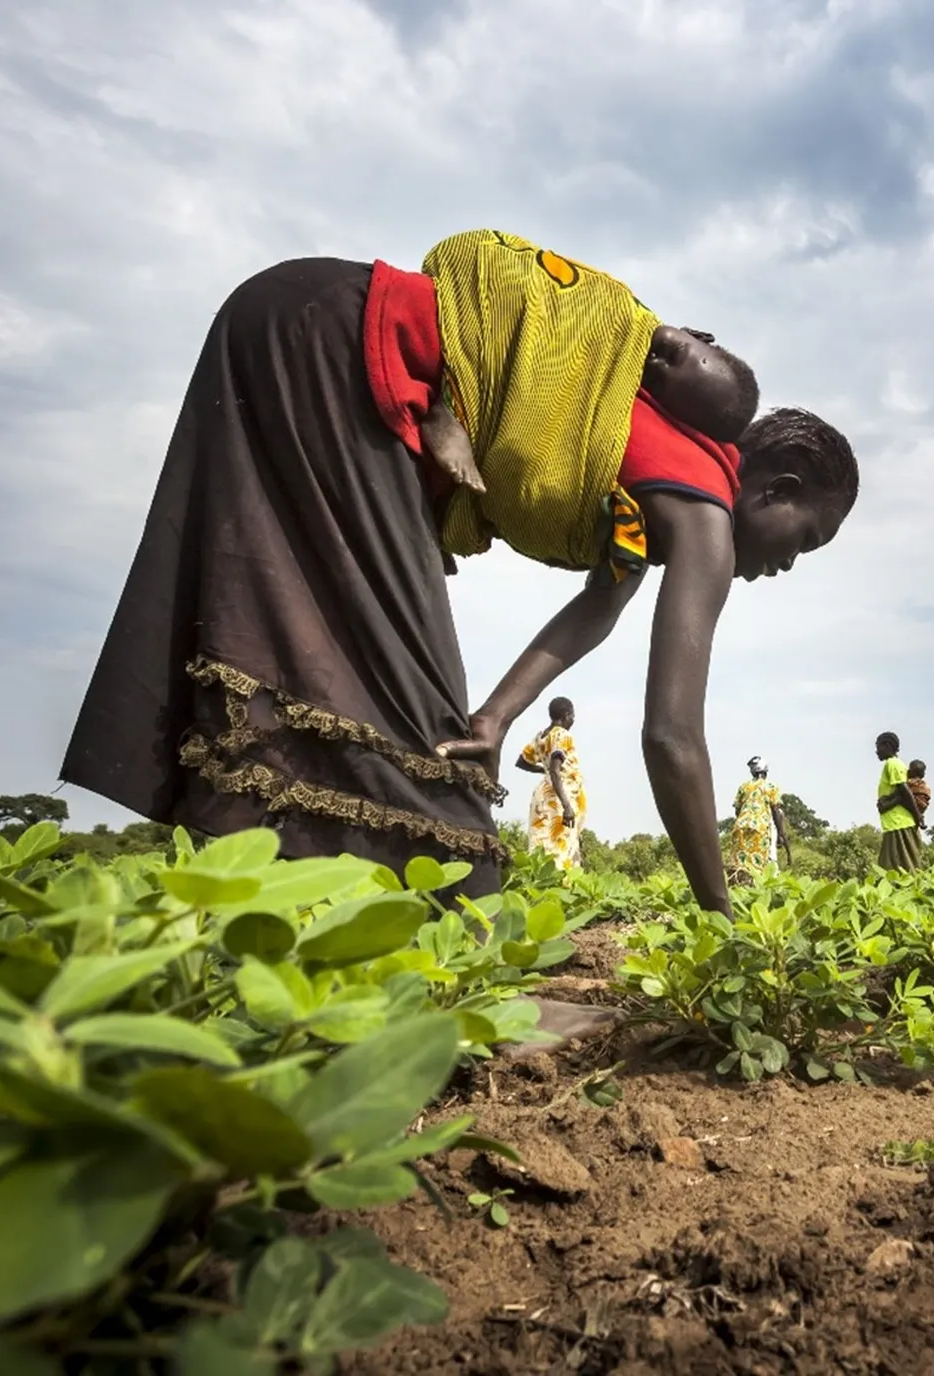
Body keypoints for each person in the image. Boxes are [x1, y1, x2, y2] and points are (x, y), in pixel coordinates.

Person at [61, 228, 858, 910]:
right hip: (343, 355)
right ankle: (450, 947)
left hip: (294, 319)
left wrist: (499, 718)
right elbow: (673, 736)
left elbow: (597, 610)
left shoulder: (663, 481)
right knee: (417, 734)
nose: (788, 563)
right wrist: (720, 911)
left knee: (296, 648)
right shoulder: (706, 519)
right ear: (776, 488)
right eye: (805, 538)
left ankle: (266, 910)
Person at [515, 697, 586, 869]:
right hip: (558, 800)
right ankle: (559, 890)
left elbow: (522, 762)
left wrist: (543, 770)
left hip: (545, 796)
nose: (573, 721)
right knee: (560, 851)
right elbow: (555, 770)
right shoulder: (562, 735)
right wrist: (567, 806)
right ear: (567, 715)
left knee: (543, 846)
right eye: (573, 716)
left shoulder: (541, 737)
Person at [723, 755, 792, 884]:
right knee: (760, 864)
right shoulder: (771, 787)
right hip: (760, 827)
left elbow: (737, 810)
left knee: (740, 864)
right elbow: (776, 811)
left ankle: (738, 887)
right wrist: (781, 834)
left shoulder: (744, 786)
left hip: (740, 827)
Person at [874, 732, 923, 872]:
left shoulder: (893, 764)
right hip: (893, 824)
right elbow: (900, 793)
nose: (877, 751)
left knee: (903, 870)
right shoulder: (896, 764)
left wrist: (917, 815)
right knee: (891, 869)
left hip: (898, 824)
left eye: (879, 746)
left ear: (888, 745)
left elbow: (905, 791)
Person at [905, 759, 932, 830]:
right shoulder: (921, 783)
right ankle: (921, 821)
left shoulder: (909, 782)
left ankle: (919, 819)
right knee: (919, 812)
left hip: (917, 802)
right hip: (920, 804)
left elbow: (910, 792)